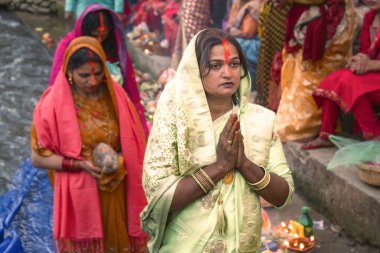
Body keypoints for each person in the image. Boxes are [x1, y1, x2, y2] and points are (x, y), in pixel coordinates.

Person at [141, 28, 294, 252]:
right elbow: (158, 194)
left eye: (234, 64)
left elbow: (284, 195)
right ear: (195, 70)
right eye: (215, 66)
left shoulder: (260, 120)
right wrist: (220, 167)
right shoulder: (177, 119)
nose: (228, 73)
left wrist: (245, 165)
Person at [31, 36, 147, 252]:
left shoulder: (116, 97)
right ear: (69, 73)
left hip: (117, 188)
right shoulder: (52, 105)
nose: (92, 81)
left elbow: (133, 144)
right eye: (84, 75)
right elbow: (38, 158)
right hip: (80, 195)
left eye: (98, 73)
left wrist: (118, 157)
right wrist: (80, 164)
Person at [49, 4, 149, 136]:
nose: (99, 40)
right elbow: (56, 85)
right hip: (77, 111)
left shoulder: (113, 48)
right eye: (95, 35)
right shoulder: (68, 46)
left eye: (104, 35)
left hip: (110, 113)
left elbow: (130, 88)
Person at [275, 0, 357, 141]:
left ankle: (311, 125)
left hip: (332, 19)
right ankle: (294, 120)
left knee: (317, 72)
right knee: (298, 71)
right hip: (311, 15)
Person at [302, 8, 380, 149]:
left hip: (375, 74)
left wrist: (371, 64)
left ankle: (374, 133)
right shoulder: (370, 16)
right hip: (372, 75)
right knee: (335, 79)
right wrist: (359, 59)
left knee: (349, 83)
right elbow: (365, 50)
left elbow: (371, 62)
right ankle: (325, 135)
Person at [253, 0, 290, 107]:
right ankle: (269, 103)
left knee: (283, 62)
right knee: (270, 59)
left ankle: (275, 104)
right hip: (276, 14)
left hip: (287, 15)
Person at [226, 0, 261, 91]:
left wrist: (230, 31)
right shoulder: (237, 4)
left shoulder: (254, 6)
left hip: (251, 49)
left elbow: (247, 32)